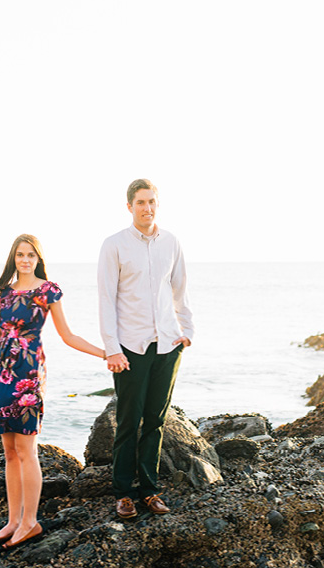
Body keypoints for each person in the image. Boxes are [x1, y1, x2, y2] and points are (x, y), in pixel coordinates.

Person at [0, 234, 105, 548]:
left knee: (26, 449)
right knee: (9, 452)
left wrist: (106, 353)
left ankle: (30, 521)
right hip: (2, 373)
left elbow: (68, 335)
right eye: (20, 255)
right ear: (13, 258)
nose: (25, 260)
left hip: (29, 374)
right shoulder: (5, 294)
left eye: (30, 255)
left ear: (38, 259)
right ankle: (12, 521)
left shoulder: (48, 291)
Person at [98, 179, 195, 519]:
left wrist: (187, 332)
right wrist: (112, 349)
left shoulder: (171, 243)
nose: (147, 208)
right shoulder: (115, 246)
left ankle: (150, 491)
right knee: (127, 421)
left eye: (152, 202)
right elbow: (106, 300)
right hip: (131, 347)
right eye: (141, 202)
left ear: (158, 204)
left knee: (155, 420)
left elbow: (180, 290)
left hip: (167, 344)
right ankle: (124, 494)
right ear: (130, 206)